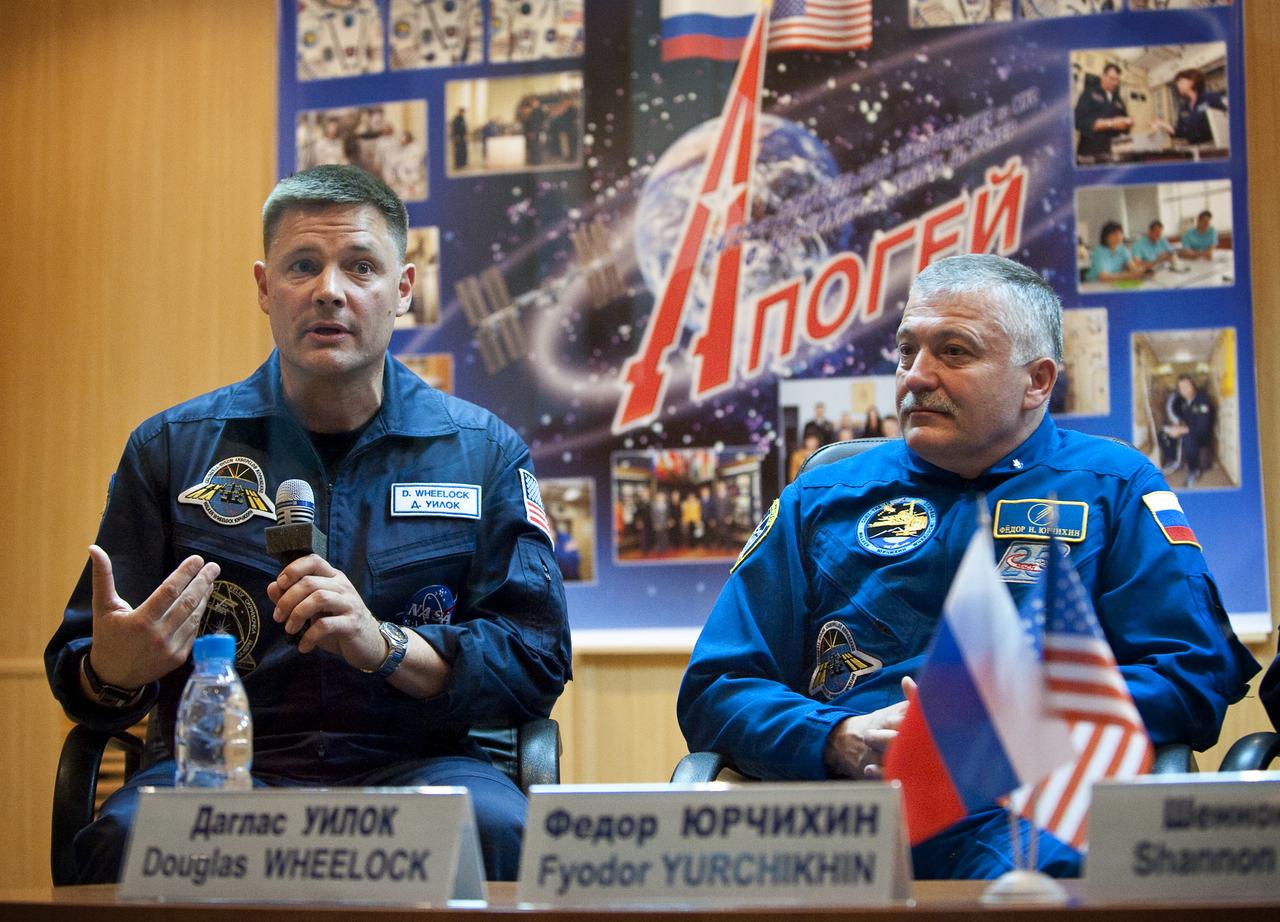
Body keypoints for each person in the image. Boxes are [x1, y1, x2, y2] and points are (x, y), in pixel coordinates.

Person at [45, 165, 571, 884]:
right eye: (303, 265)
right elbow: (81, 673)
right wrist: (112, 674)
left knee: (509, 836)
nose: (330, 289)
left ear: (404, 291)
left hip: (419, 765)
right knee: (120, 844)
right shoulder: (170, 449)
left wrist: (387, 646)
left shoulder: (482, 452)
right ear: (266, 288)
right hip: (224, 767)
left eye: (360, 266)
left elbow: (535, 659)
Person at [677, 254, 1257, 880]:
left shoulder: (1113, 488)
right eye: (906, 351)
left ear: (1037, 381)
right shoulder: (820, 500)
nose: (915, 378)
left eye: (953, 352)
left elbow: (1191, 675)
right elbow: (718, 688)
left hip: (1029, 810)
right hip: (840, 813)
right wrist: (834, 736)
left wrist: (1011, 722)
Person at [1150, 68, 1227, 146]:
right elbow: (1180, 132)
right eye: (1177, 82)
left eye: (1180, 81)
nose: (1177, 84)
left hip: (1215, 144)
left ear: (1192, 82)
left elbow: (1226, 118)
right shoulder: (1183, 108)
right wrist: (1162, 124)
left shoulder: (1210, 97)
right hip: (1194, 147)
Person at [1162, 374, 1215, 488]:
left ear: (1193, 386)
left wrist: (1181, 430)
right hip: (1191, 430)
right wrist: (1177, 426)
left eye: (1187, 386)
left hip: (1203, 435)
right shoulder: (1185, 402)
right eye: (1181, 388)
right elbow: (1185, 419)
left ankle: (1193, 470)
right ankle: (1172, 460)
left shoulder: (1202, 401)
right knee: (1163, 434)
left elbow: (1202, 427)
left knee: (1188, 438)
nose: (1184, 390)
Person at [1074, 63, 1133, 160]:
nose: (1115, 83)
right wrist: (1111, 124)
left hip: (1112, 153)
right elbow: (1078, 121)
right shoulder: (1089, 93)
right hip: (1090, 152)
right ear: (1103, 76)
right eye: (1112, 78)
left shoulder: (1119, 100)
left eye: (1117, 80)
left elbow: (1125, 129)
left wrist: (1128, 123)